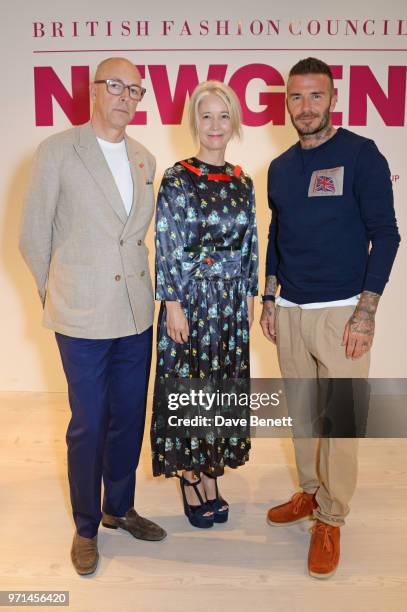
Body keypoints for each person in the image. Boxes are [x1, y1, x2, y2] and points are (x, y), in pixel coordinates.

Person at [19, 57, 166, 576]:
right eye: (116, 86)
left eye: (136, 89)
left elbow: (140, 238)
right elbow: (33, 235)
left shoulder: (147, 158)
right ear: (94, 90)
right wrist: (55, 294)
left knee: (129, 417)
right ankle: (85, 527)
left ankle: (118, 508)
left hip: (135, 315)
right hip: (79, 315)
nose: (126, 96)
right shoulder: (59, 151)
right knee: (89, 423)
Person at [260, 57, 400, 579]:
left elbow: (385, 234)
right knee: (302, 414)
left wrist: (366, 313)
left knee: (339, 423)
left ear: (333, 99)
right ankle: (310, 492)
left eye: (315, 96)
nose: (305, 106)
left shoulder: (361, 155)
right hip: (291, 312)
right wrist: (269, 297)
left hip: (342, 313)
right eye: (295, 97)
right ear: (287, 103)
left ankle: (332, 515)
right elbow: (276, 235)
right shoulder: (278, 167)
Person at [151, 80, 258, 528]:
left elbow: (252, 240)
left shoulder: (242, 180)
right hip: (190, 301)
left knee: (220, 387)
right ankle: (190, 473)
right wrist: (172, 302)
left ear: (234, 122)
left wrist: (250, 292)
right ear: (194, 122)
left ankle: (212, 469)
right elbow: (167, 240)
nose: (215, 125)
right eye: (206, 116)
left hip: (231, 302)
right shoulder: (177, 177)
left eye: (223, 115)